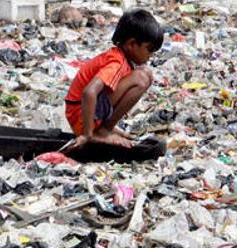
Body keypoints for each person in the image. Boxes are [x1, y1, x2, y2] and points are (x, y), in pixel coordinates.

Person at [64, 9, 164, 149]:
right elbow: (89, 92)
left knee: (146, 74)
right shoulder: (116, 63)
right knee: (141, 78)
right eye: (149, 49)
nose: (151, 55)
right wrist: (87, 134)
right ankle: (101, 131)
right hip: (80, 117)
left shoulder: (121, 58)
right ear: (132, 44)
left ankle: (104, 128)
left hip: (83, 113)